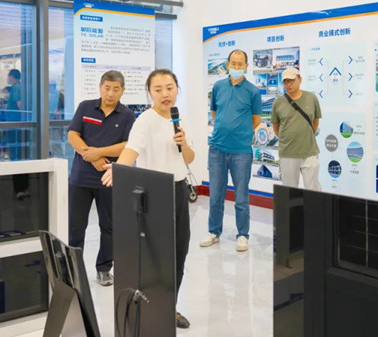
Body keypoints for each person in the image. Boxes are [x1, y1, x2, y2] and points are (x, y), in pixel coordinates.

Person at [101, 69, 194, 329]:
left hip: (178, 190)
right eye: (158, 89)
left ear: (177, 89)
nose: (165, 94)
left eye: (169, 88)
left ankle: (169, 306)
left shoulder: (180, 118)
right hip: (154, 194)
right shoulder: (145, 120)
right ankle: (152, 307)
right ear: (150, 92)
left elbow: (189, 159)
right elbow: (132, 149)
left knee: (179, 253)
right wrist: (119, 169)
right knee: (156, 256)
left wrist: (184, 144)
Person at [67, 70, 136, 287]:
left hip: (110, 178)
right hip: (80, 178)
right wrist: (91, 155)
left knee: (109, 226)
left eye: (116, 89)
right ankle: (73, 269)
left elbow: (127, 145)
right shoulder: (85, 107)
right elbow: (73, 135)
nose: (110, 93)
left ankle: (104, 269)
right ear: (100, 87)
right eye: (107, 88)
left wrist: (98, 153)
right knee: (76, 226)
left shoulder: (127, 115)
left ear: (122, 91)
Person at [201, 49, 262, 252]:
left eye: (240, 64)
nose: (236, 67)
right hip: (217, 149)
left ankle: (243, 234)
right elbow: (214, 112)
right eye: (233, 63)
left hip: (241, 152)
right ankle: (213, 232)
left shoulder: (253, 92)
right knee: (215, 195)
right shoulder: (218, 87)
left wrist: (239, 133)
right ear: (227, 64)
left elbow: (256, 120)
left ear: (246, 66)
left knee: (241, 197)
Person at [271, 67, 322, 190]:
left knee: (313, 189)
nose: (288, 84)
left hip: (309, 152)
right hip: (288, 153)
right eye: (285, 82)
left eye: (292, 80)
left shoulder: (311, 98)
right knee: (290, 190)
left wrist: (305, 135)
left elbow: (315, 122)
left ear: (300, 79)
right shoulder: (278, 102)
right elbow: (276, 128)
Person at [6, 69, 23, 160]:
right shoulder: (18, 87)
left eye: (8, 75)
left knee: (13, 144)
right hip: (14, 120)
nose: (7, 78)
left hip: (14, 121)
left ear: (12, 76)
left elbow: (19, 104)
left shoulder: (16, 88)